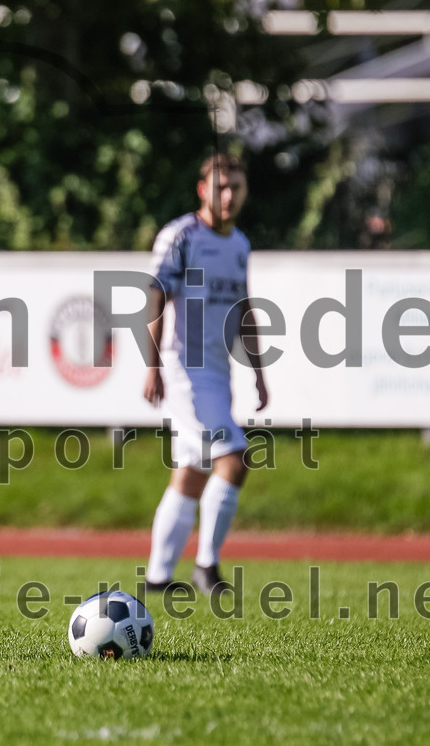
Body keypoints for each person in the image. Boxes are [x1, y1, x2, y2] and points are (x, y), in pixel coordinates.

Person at [142, 152, 268, 596]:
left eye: (236, 186)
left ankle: (157, 578)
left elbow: (245, 308)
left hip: (218, 370)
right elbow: (155, 296)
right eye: (220, 186)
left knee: (192, 471)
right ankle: (206, 566)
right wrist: (152, 366)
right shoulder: (181, 236)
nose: (228, 195)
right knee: (235, 458)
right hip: (184, 371)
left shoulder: (239, 244)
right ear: (203, 190)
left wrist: (258, 372)